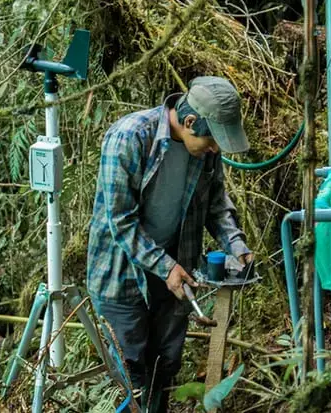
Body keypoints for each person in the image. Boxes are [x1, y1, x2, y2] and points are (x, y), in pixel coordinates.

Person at [87, 76, 253, 412]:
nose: (216, 149)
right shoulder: (131, 136)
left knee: (166, 364)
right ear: (190, 121)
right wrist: (165, 267)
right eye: (212, 140)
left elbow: (216, 205)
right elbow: (120, 219)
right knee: (131, 372)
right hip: (122, 274)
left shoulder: (204, 150)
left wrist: (236, 245)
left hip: (175, 267)